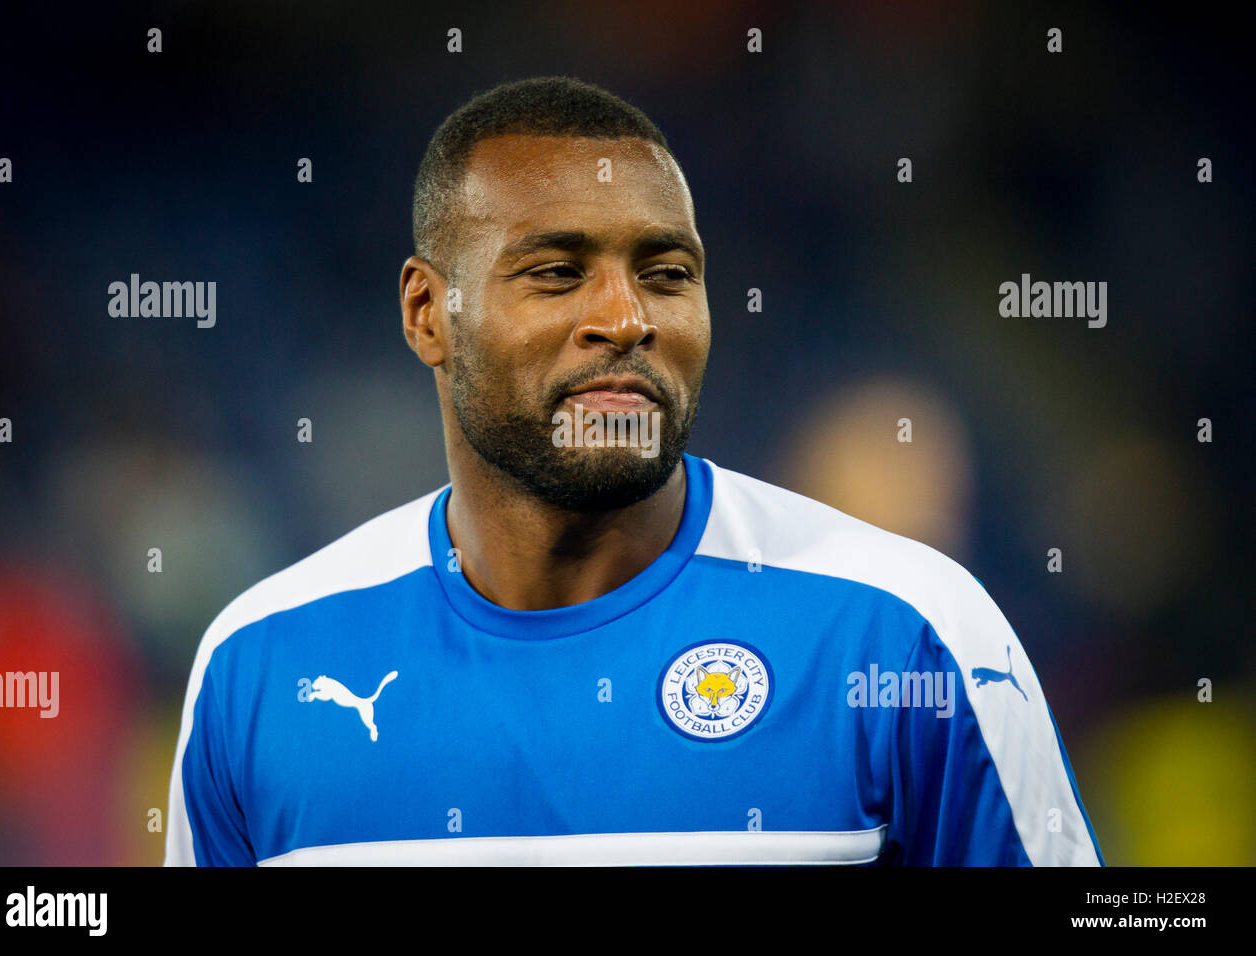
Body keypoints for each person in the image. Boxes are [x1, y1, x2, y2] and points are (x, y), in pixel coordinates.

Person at [164, 75, 1103, 866]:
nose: (626, 316)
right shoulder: (262, 665)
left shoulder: (907, 635)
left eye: (665, 272)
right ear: (427, 314)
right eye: (556, 272)